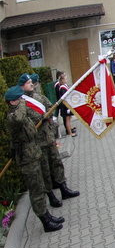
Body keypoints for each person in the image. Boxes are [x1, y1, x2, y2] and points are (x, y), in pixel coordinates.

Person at [5, 86, 63, 232]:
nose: (22, 101)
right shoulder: (12, 117)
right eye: (19, 99)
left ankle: (47, 215)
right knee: (36, 191)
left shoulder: (20, 113)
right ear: (12, 102)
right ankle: (45, 222)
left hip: (34, 154)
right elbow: (18, 119)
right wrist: (24, 104)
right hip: (27, 159)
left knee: (40, 186)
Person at [21, 74, 80, 207]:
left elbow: (50, 108)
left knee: (57, 164)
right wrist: (41, 118)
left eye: (32, 82)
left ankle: (63, 188)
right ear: (22, 86)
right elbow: (26, 123)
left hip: (49, 138)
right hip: (38, 143)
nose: (32, 84)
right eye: (28, 82)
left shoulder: (39, 97)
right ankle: (51, 196)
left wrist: (53, 132)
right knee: (45, 171)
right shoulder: (22, 103)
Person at [54, 71, 75, 137]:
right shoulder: (61, 87)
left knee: (68, 119)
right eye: (65, 79)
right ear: (62, 80)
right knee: (67, 120)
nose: (66, 80)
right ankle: (69, 132)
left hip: (66, 106)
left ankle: (70, 130)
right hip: (65, 106)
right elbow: (64, 98)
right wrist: (67, 107)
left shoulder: (63, 86)